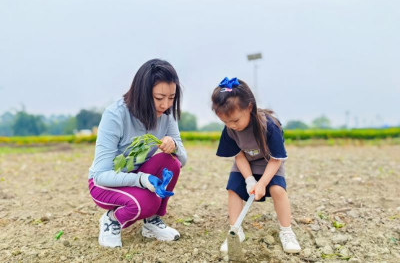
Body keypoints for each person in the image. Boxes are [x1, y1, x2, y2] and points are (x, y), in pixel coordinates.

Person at [88, 59, 187, 248]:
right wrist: (141, 180)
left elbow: (182, 161)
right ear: (143, 93)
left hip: (139, 175)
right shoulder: (115, 115)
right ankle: (112, 220)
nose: (166, 104)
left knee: (170, 162)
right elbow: (101, 176)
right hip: (105, 184)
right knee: (147, 202)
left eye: (172, 97)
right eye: (159, 98)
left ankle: (152, 223)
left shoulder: (167, 115)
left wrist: (174, 145)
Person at [211, 77, 301, 253]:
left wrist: (262, 183)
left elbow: (277, 159)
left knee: (277, 190)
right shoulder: (230, 129)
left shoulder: (269, 125)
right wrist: (250, 180)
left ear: (249, 107)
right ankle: (235, 231)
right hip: (245, 164)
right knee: (233, 190)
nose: (231, 126)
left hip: (270, 163)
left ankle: (287, 231)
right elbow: (239, 156)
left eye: (235, 120)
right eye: (225, 122)